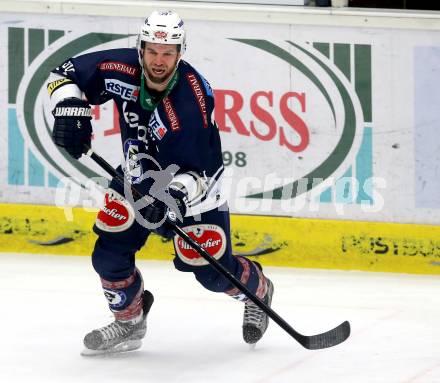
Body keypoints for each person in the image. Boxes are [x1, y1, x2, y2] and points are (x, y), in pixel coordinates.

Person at [47, 10, 274, 355]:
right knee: (108, 255)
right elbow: (63, 75)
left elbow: (196, 172)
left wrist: (171, 198)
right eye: (152, 50)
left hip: (195, 192)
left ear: (180, 53)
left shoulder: (190, 104)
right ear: (141, 47)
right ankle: (130, 320)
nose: (158, 60)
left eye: (167, 53)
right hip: (136, 180)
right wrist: (69, 109)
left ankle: (258, 289)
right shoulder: (121, 68)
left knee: (211, 273)